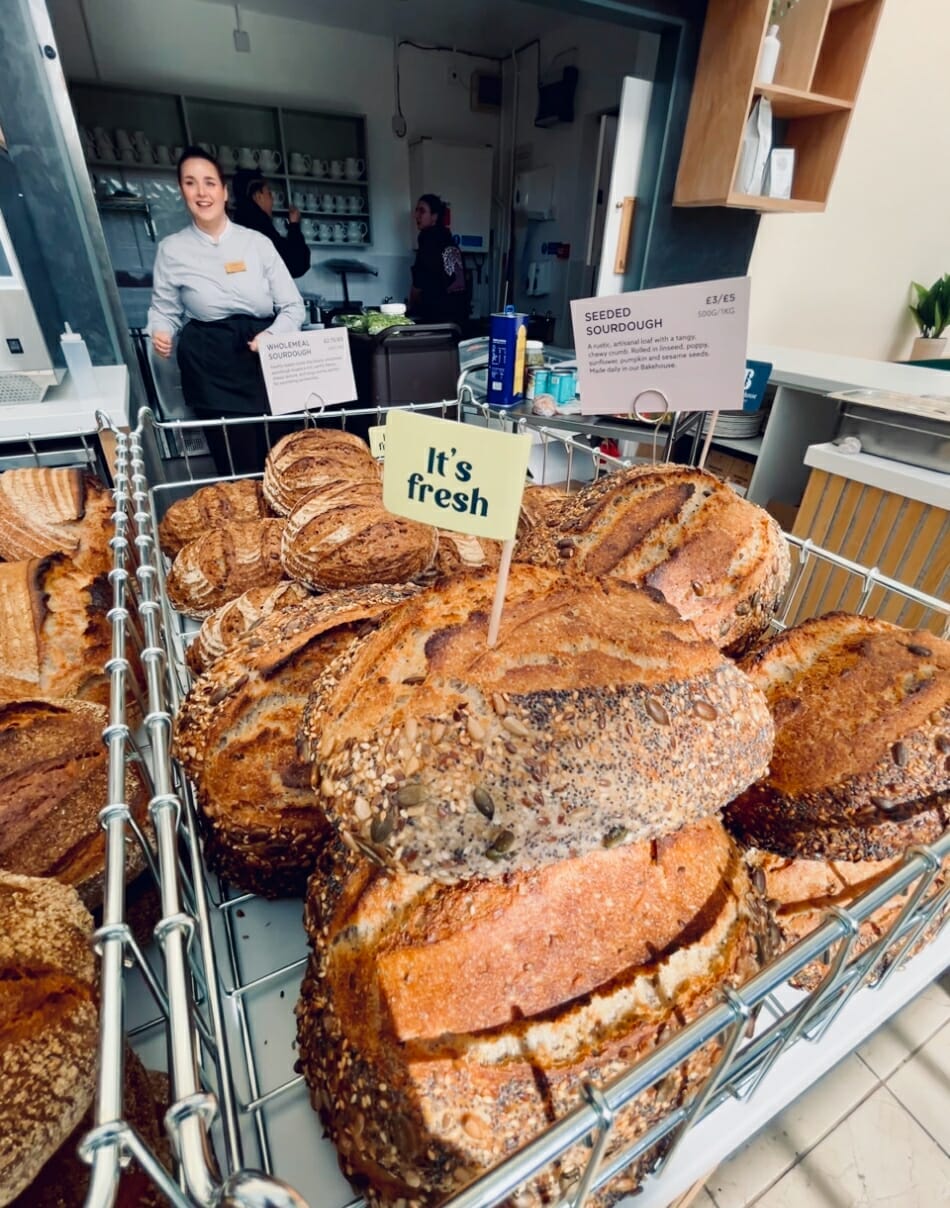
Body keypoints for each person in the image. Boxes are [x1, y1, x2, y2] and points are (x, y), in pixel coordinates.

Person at [148, 146, 305, 474]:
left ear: (224, 190)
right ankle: (243, 524)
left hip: (266, 358)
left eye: (209, 182)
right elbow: (164, 309)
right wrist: (160, 330)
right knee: (236, 465)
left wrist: (273, 336)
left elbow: (293, 307)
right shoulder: (172, 249)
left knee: (283, 460)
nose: (202, 192)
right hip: (210, 361)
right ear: (182, 191)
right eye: (191, 183)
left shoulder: (258, 243)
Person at [230, 167, 311, 279]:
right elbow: (297, 264)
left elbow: (232, 268)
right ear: (258, 196)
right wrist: (294, 226)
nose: (272, 199)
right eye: (269, 193)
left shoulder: (236, 226)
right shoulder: (260, 229)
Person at [408, 193, 467, 327]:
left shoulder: (427, 238)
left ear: (434, 216)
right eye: (416, 210)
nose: (416, 215)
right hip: (457, 316)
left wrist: (409, 307)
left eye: (422, 211)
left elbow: (419, 279)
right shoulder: (448, 238)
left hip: (438, 315)